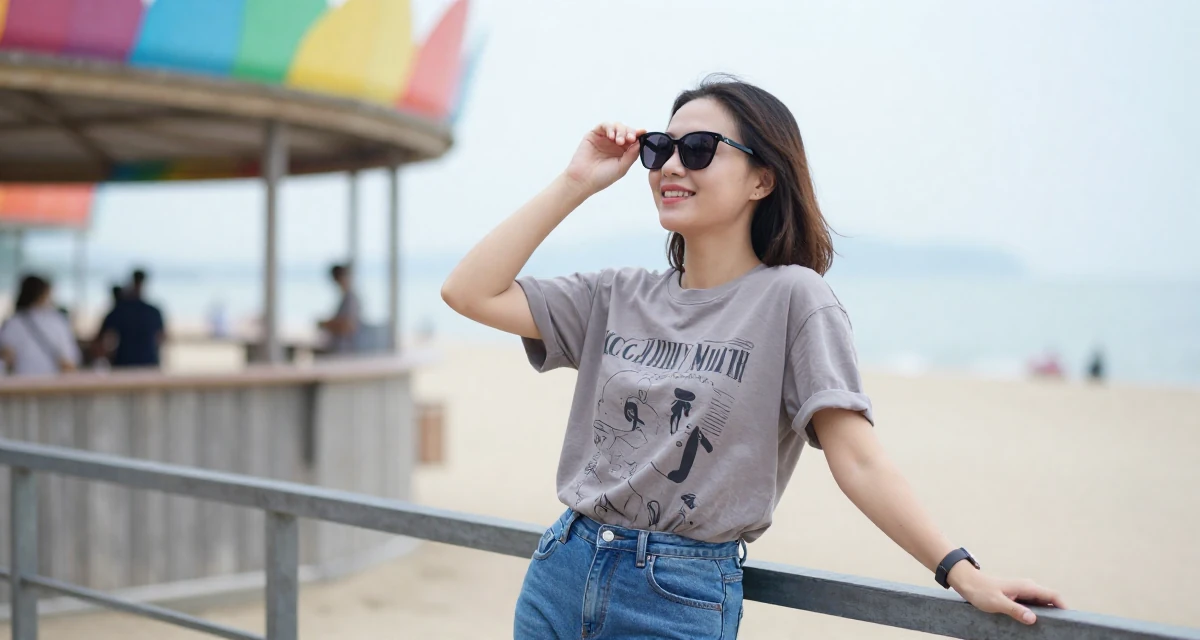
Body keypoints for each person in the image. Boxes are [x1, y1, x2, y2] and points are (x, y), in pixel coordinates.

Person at [441, 76, 1065, 637]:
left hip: (676, 594)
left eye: (700, 149)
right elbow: (467, 291)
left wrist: (961, 572)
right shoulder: (614, 294)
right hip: (562, 566)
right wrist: (576, 182)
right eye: (661, 148)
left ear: (762, 179)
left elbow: (859, 460)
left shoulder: (796, 300)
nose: (670, 167)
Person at [0, 274, 81, 375]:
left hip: (21, 385)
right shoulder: (57, 321)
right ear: (43, 295)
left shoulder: (13, 322)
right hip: (51, 386)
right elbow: (69, 362)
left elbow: (6, 358)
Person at [94, 269, 166, 368]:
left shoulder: (119, 311)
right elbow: (162, 338)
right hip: (149, 364)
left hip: (123, 364)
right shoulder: (153, 311)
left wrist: (108, 357)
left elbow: (99, 341)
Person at [318, 263, 360, 354]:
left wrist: (326, 324)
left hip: (344, 350)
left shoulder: (350, 299)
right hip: (338, 348)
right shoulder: (346, 297)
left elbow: (348, 326)